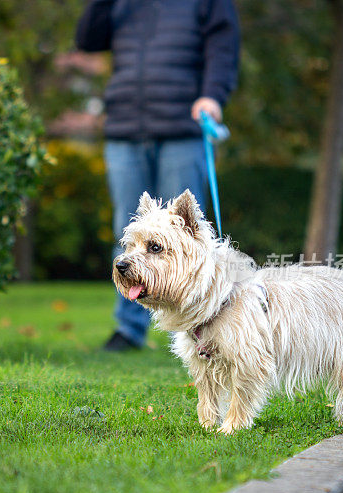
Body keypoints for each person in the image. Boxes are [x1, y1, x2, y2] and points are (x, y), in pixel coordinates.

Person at [75, 0, 240, 351]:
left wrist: (213, 95)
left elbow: (223, 46)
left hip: (183, 127)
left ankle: (198, 324)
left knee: (184, 235)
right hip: (124, 127)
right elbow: (88, 39)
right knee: (128, 229)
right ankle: (130, 328)